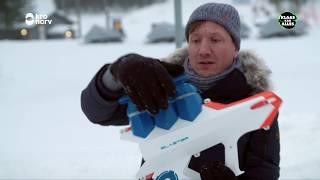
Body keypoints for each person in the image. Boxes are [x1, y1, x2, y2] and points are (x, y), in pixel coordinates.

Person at [81, 2, 280, 180]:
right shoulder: (162, 85)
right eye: (195, 40)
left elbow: (265, 171)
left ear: (235, 47)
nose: (203, 50)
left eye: (215, 39)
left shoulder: (256, 103)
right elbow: (98, 113)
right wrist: (115, 74)